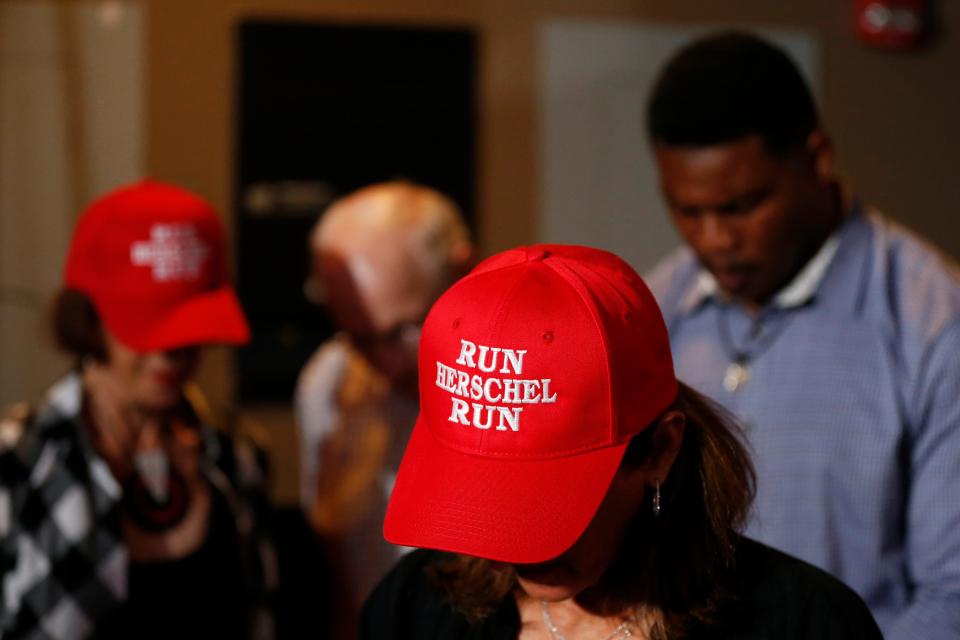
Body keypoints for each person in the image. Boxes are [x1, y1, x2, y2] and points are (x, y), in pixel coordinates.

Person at [361, 244, 882, 639]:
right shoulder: (414, 606)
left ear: (659, 450)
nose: (508, 543)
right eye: (484, 492)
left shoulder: (804, 623)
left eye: (541, 503)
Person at [644, 32, 960, 638]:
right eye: (687, 210)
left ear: (816, 160)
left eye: (741, 206)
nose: (713, 239)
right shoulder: (656, 312)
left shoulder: (933, 325)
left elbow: (952, 595)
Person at [0, 181, 275, 639]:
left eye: (191, 328)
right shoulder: (18, 461)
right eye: (148, 325)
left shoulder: (236, 456)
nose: (171, 354)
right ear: (88, 319)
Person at [295, 182, 473, 619]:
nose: (385, 365)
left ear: (461, 273)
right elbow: (343, 581)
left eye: (400, 333)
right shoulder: (328, 383)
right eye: (360, 339)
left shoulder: (515, 379)